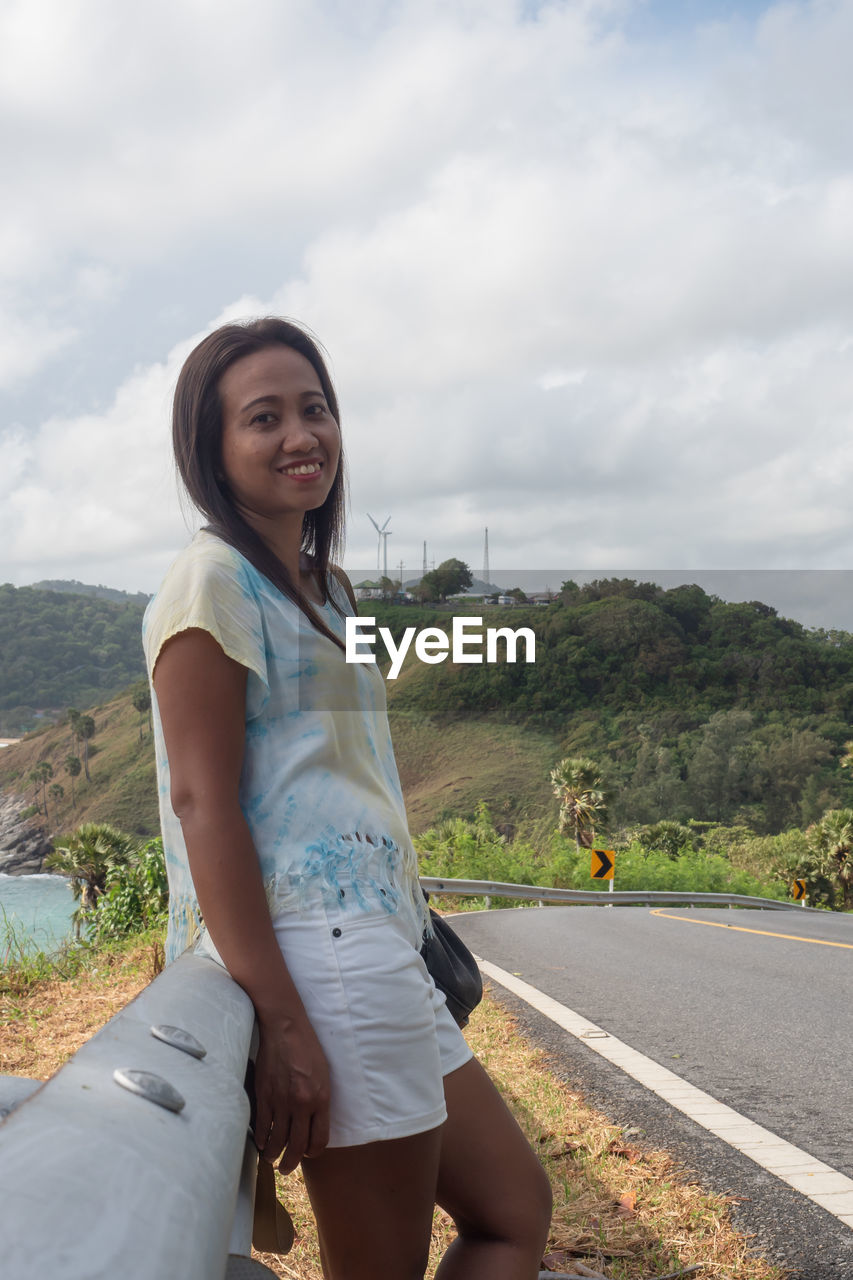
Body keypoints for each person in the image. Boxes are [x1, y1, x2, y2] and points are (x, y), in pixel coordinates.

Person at [142, 317, 552, 1280]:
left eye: (315, 409)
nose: (300, 436)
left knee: (513, 1209)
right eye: (264, 417)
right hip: (321, 967)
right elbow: (205, 806)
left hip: (375, 950)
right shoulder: (211, 583)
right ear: (213, 449)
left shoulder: (328, 589)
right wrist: (282, 1019)